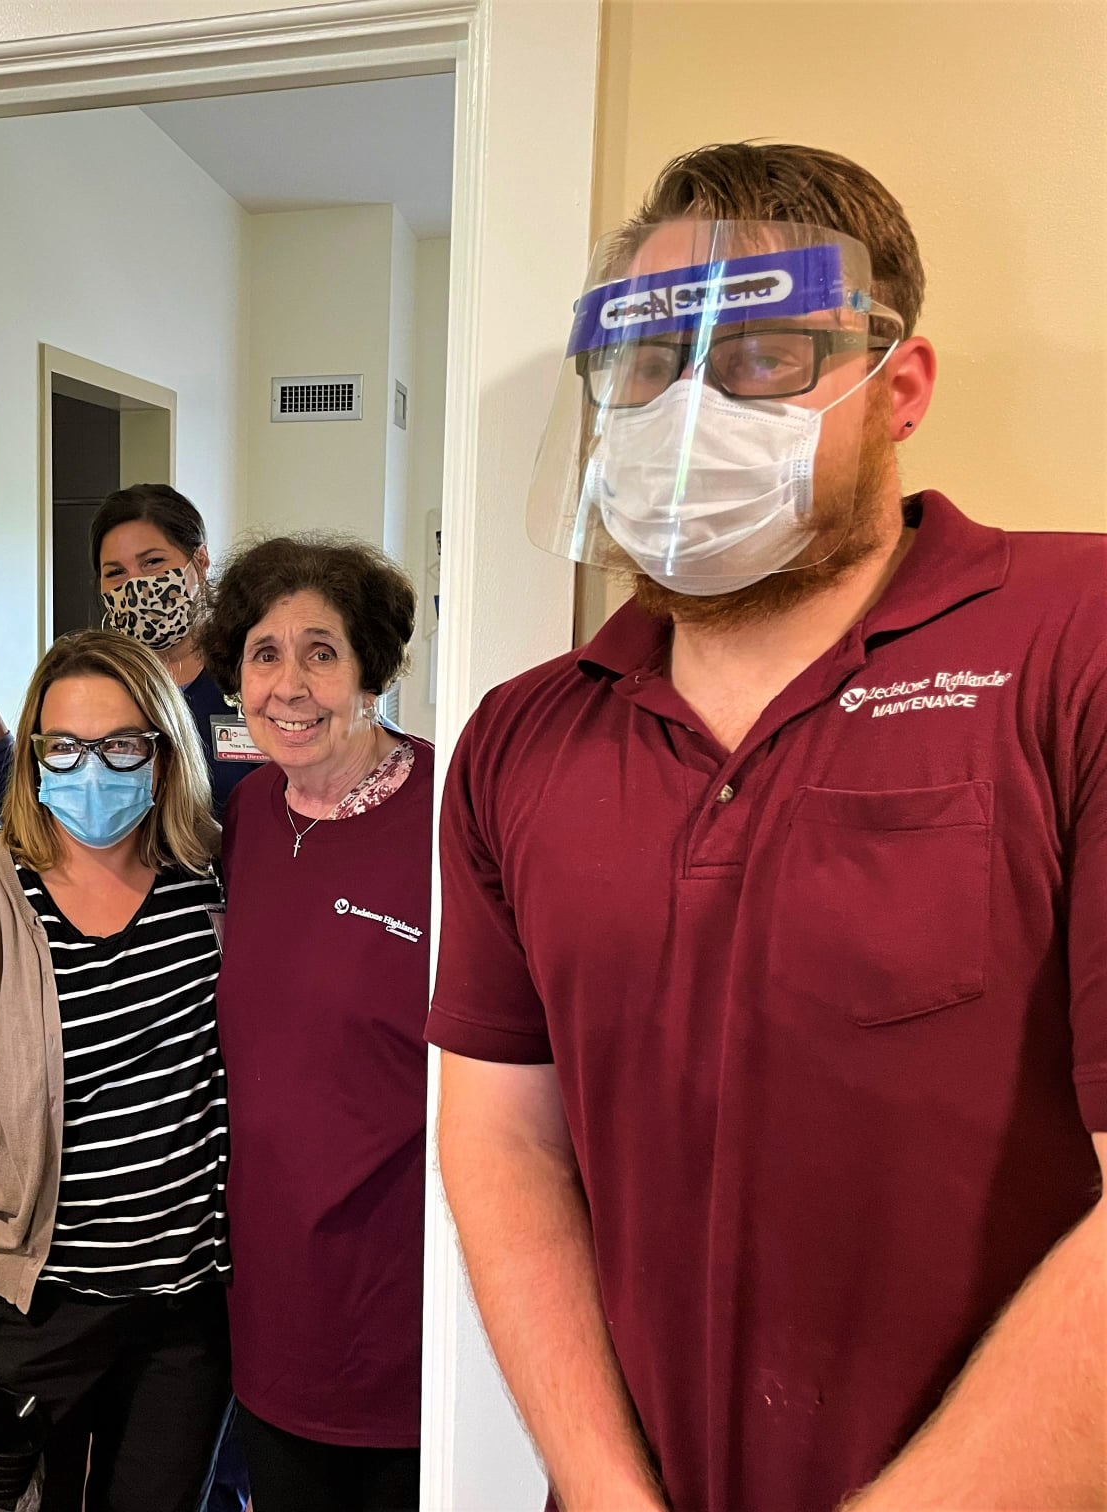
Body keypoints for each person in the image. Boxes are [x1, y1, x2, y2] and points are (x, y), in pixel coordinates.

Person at [429, 142, 1106, 1512]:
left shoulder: (1075, 644)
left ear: (897, 387)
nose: (686, 411)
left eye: (757, 355)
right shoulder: (520, 738)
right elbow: (502, 1141)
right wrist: (606, 1492)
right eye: (647, 363)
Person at [0, 630, 231, 1512]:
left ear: (161, 752)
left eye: (120, 744)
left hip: (184, 1305)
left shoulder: (209, 880)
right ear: (34, 758)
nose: (92, 770)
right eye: (64, 747)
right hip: (33, 1308)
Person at [197, 535, 429, 1511]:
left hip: (400, 1299)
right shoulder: (249, 817)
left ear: (370, 668)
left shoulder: (449, 811)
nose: (289, 684)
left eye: (321, 652)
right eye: (263, 653)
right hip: (274, 1296)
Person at [0, 485, 256, 824]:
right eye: (116, 572)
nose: (137, 586)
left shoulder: (249, 671)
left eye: (153, 562)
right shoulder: (94, 680)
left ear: (200, 562)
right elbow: (32, 810)